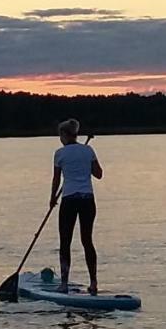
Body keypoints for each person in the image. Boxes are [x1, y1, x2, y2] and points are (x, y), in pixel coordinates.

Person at [50, 119, 103, 294]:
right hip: (87, 199)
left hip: (70, 200)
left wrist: (52, 200)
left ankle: (64, 283)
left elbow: (57, 179)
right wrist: (84, 165)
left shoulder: (59, 154)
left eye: (60, 135)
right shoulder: (87, 150)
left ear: (65, 135)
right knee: (87, 240)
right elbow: (99, 174)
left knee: (65, 241)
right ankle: (93, 282)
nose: (60, 138)